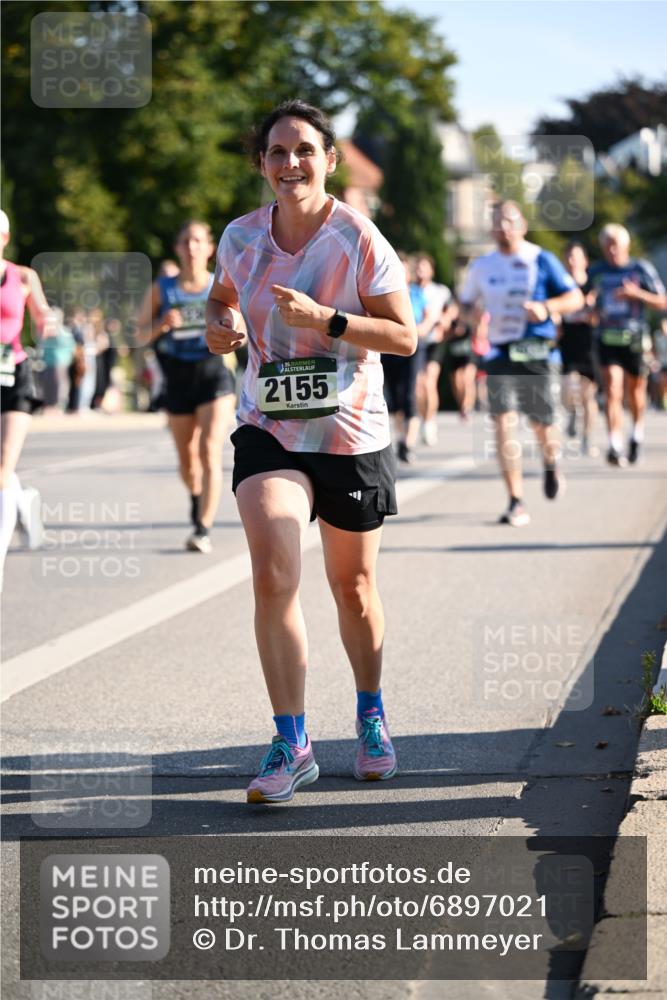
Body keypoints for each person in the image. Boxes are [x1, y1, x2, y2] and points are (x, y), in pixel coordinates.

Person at [205, 100, 416, 804]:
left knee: (352, 589)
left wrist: (328, 319)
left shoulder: (358, 238)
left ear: (328, 159)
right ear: (260, 163)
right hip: (268, 425)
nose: (289, 163)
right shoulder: (239, 237)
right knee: (272, 569)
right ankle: (291, 741)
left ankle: (369, 714)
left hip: (349, 432)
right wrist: (220, 328)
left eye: (303, 150)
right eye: (276, 152)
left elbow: (404, 336)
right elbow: (220, 300)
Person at [459, 200, 583, 527]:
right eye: (498, 223)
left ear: (523, 225)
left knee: (542, 425)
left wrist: (546, 307)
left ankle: (552, 461)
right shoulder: (482, 266)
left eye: (510, 221)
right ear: (491, 228)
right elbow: (465, 302)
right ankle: (516, 500)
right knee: (502, 424)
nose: (504, 228)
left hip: (536, 351)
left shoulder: (541, 259)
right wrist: (469, 314)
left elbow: (576, 298)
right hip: (499, 353)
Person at [136, 221, 237, 553]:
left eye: (198, 240)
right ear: (177, 249)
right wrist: (161, 325)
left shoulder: (219, 286)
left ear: (209, 248)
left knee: (210, 450)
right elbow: (137, 335)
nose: (191, 247)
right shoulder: (162, 288)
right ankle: (196, 497)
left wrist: (230, 330)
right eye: (185, 241)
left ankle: (203, 527)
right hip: (177, 377)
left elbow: (242, 324)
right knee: (187, 460)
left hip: (213, 374)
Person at [0, 209, 53, 588]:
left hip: (13, 374)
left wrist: (46, 325)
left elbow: (42, 316)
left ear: (4, 238)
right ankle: (23, 501)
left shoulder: (21, 276)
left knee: (2, 466)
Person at [588, 224, 667, 466]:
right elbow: (584, 297)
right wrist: (589, 307)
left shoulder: (640, 269)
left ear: (626, 246)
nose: (612, 250)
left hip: (633, 338)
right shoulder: (597, 271)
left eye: (616, 245)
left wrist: (637, 295)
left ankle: (636, 434)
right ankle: (614, 443)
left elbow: (662, 302)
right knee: (612, 388)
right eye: (607, 246)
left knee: (636, 390)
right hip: (607, 337)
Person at [381, 253, 434, 463]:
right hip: (388, 349)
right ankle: (401, 437)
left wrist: (416, 331)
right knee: (393, 398)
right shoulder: (383, 293)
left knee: (410, 396)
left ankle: (407, 444)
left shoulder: (417, 293)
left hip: (412, 350)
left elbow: (429, 317)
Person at [557, 242, 599, 457]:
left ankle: (587, 438)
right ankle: (571, 412)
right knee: (567, 390)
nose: (572, 261)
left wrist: (593, 309)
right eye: (568, 257)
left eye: (576, 257)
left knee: (588, 396)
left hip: (588, 344)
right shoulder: (561, 286)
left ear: (585, 261)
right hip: (566, 343)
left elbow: (600, 315)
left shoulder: (593, 285)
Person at [413, 254, 453, 445]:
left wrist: (446, 320)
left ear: (431, 270)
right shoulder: (408, 290)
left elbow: (453, 308)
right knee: (419, 388)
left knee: (429, 382)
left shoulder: (440, 291)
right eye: (418, 267)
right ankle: (424, 417)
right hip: (417, 342)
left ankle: (429, 422)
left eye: (424, 267)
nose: (420, 271)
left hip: (435, 340)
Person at [443, 303, 477, 421]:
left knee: (467, 380)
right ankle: (462, 405)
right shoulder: (449, 323)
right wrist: (452, 332)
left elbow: (476, 331)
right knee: (457, 383)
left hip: (468, 355)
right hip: (454, 356)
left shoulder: (466, 319)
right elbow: (442, 337)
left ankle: (467, 407)